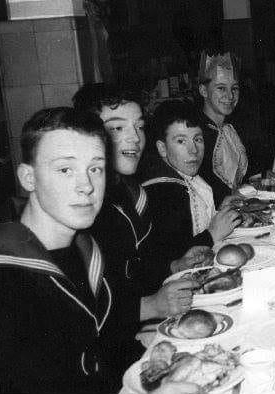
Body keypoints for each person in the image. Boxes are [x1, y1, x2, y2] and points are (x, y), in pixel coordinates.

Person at [73, 86, 201, 386]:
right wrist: (150, 306)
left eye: (139, 126)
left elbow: (135, 272)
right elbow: (83, 312)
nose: (134, 137)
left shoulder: (130, 193)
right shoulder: (82, 211)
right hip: (105, 369)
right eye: (117, 127)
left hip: (130, 342)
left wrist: (174, 265)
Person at [0, 107, 114, 392]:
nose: (87, 186)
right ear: (28, 178)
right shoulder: (0, 279)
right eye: (65, 169)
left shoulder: (86, 250)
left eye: (95, 169)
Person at [141, 101, 241, 294]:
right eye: (181, 141)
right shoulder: (162, 190)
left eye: (198, 139)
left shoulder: (189, 177)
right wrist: (211, 235)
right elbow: (171, 257)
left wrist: (219, 210)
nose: (193, 150)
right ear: (162, 149)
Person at [196, 51, 250, 206]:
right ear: (203, 90)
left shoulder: (229, 129)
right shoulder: (197, 135)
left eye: (234, 88)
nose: (230, 96)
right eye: (221, 88)